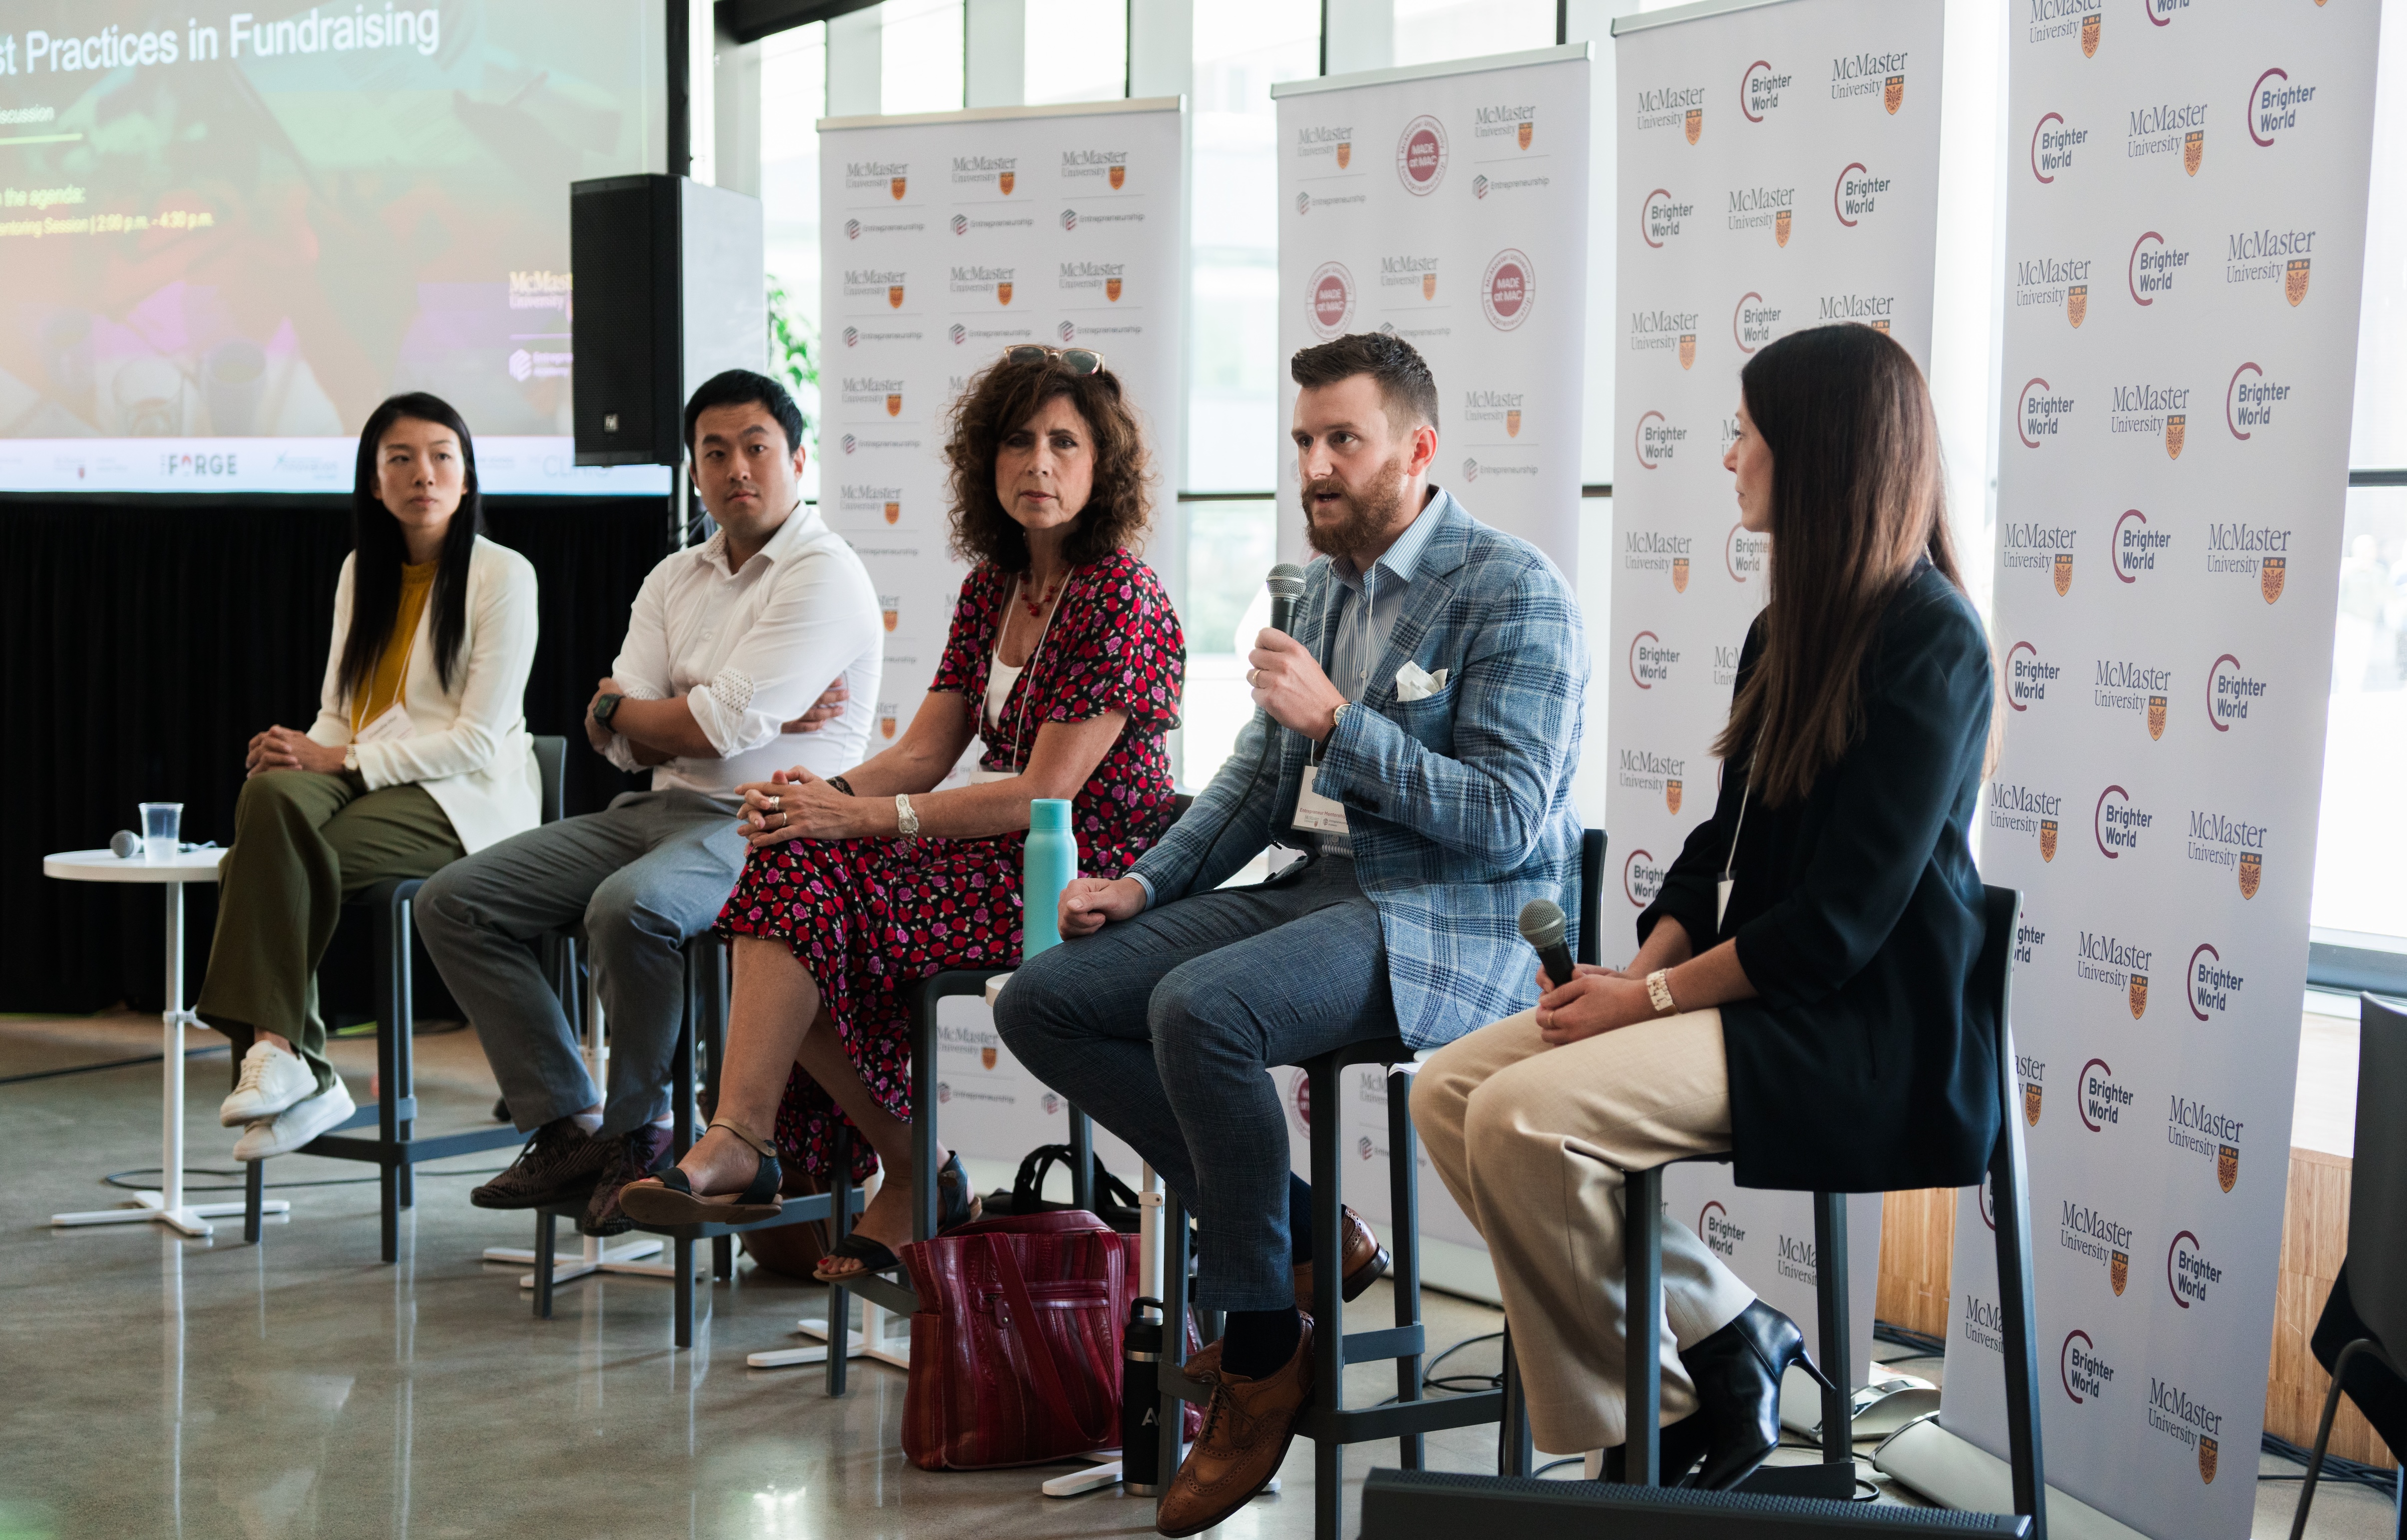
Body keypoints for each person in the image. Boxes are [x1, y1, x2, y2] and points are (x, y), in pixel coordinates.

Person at [994, 332, 1587, 1538]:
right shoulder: (1320, 586)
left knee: (1202, 1012)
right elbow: (1250, 786)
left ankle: (1261, 1347)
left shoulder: (1510, 588)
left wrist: (1340, 727)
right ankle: (1315, 1235)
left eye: (1342, 441)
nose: (1314, 466)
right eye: (1303, 441)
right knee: (1038, 998)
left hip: (1441, 920)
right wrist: (1143, 887)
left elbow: (1510, 819)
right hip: (1313, 887)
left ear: (1417, 450)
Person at [1411, 323, 2001, 1490]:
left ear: (1817, 455)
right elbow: (1712, 857)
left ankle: (1659, 1420)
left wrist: (1652, 998)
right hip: (1758, 999)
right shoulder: (1783, 630)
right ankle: (1724, 1342)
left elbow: (1839, 923)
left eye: (1745, 434)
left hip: (1868, 1033)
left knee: (1523, 1124)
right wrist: (1633, 975)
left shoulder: (1936, 642)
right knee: (1447, 1092)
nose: (1728, 456)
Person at [614, 346, 1185, 1278]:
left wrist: (865, 822)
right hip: (990, 854)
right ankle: (757, 1137)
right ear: (984, 463)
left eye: (1063, 443)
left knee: (796, 898)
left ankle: (895, 1161)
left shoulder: (1122, 594)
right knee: (785, 867)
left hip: (1078, 872)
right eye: (1015, 442)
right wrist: (814, 799)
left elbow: (1043, 795)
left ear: (1101, 467)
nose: (1037, 463)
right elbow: (924, 752)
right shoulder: (991, 589)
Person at [416, 370, 880, 1238]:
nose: (737, 467)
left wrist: (648, 713)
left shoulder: (826, 573)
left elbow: (719, 723)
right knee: (453, 900)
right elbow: (618, 728)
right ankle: (567, 1123)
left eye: (756, 447)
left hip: (771, 821)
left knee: (630, 909)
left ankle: (641, 1133)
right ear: (695, 469)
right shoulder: (677, 575)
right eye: (715, 452)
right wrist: (641, 718)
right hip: (655, 808)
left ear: (798, 459)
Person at [202, 393, 540, 1160]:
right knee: (268, 793)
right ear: (375, 481)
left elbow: (476, 739)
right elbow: (338, 711)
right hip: (369, 776)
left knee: (255, 864)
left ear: (466, 475)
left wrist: (341, 759)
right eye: (401, 459)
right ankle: (285, 1061)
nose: (423, 474)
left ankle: (296, 1067)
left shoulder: (503, 575)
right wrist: (300, 749)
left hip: (465, 798)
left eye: (441, 457)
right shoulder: (363, 569)